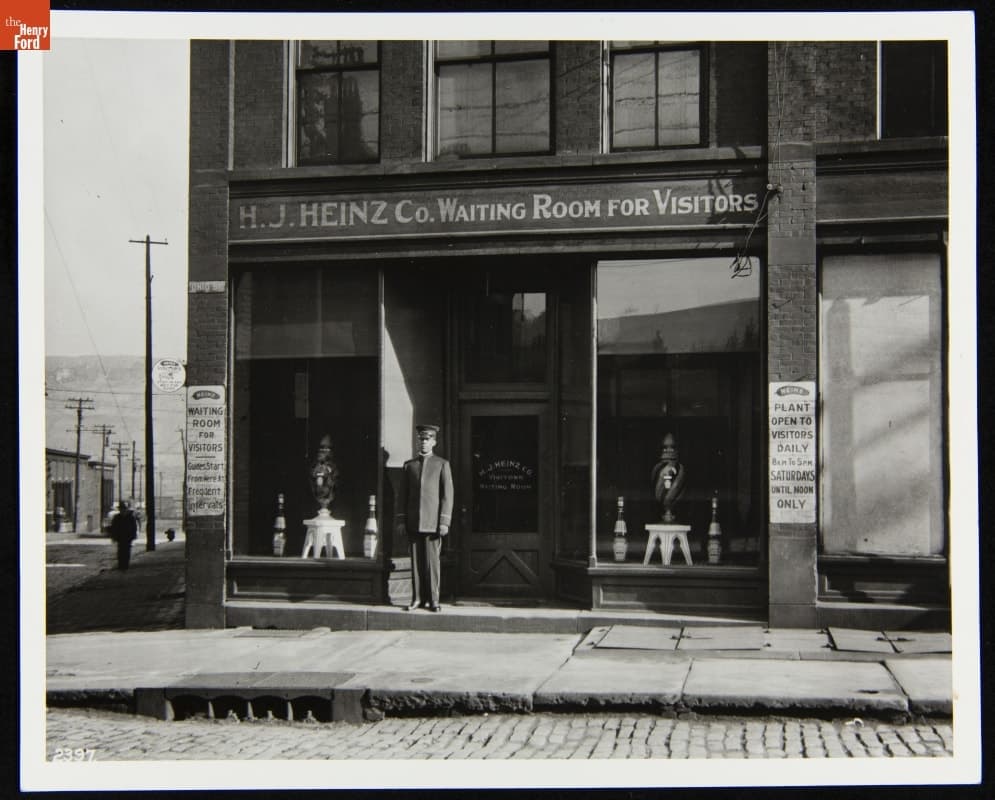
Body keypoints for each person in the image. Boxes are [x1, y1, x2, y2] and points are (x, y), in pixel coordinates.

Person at [396, 424, 453, 612]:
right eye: (421, 439)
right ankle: (417, 599)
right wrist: (402, 520)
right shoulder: (409, 466)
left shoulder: (441, 464)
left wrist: (444, 521)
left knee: (432, 564)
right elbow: (402, 495)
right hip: (413, 523)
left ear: (434, 442)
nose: (424, 443)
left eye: (427, 439)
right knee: (416, 564)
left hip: (433, 523)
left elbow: (447, 496)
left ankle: (434, 600)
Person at [651, 432, 687, 523]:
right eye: (665, 447)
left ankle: (669, 512)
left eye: (672, 447)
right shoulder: (657, 469)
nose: (668, 450)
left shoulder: (680, 469)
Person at [109, 500, 138, 571]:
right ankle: (121, 565)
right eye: (121, 509)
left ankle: (125, 565)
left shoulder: (130, 517)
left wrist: (133, 535)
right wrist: (113, 537)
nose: (122, 510)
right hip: (120, 537)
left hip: (128, 537)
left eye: (124, 509)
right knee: (120, 551)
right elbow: (114, 528)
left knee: (127, 551)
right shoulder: (117, 517)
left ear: (126, 509)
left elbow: (134, 527)